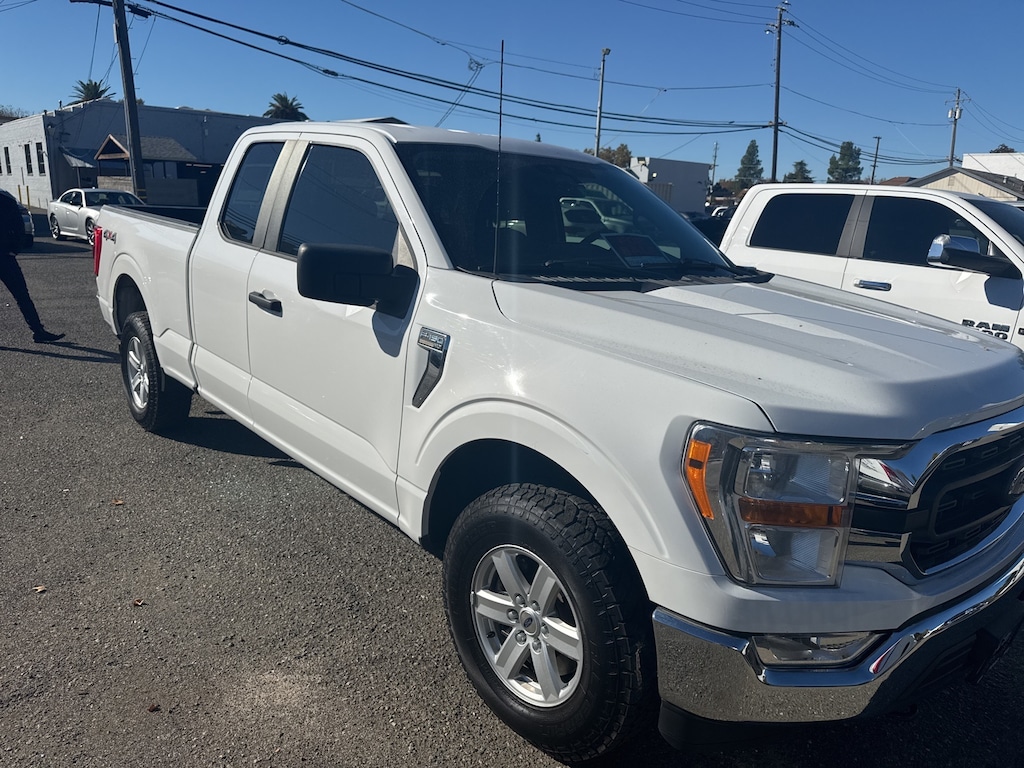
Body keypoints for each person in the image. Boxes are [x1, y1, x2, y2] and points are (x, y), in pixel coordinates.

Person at [0, 192, 64, 343]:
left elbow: (19, 226)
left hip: (5, 257)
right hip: (6, 256)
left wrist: (14, 249)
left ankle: (38, 331)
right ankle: (38, 331)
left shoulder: (6, 201)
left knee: (22, 295)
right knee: (22, 295)